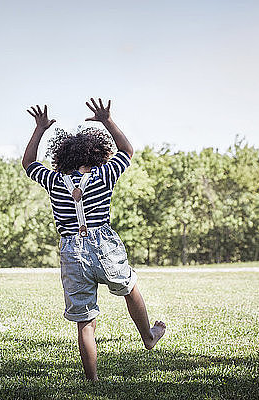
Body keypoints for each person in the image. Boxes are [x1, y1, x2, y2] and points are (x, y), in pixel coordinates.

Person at [22, 98, 166, 380]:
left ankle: (92, 379)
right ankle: (148, 336)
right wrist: (106, 120)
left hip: (71, 249)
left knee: (85, 321)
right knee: (129, 285)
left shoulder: (53, 180)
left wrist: (39, 129)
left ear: (62, 157)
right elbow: (127, 150)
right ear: (97, 154)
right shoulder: (104, 175)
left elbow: (29, 164)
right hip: (103, 244)